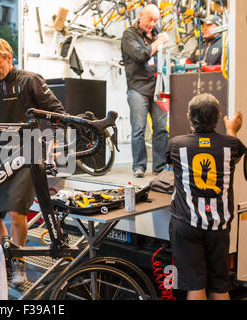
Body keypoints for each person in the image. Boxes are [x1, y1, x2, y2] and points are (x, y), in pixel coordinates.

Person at [0, 37, 65, 286]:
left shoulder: (30, 80)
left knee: (15, 212)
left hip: (28, 152)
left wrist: (54, 141)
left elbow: (57, 111)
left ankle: (19, 263)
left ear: (9, 58)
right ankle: (4, 261)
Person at [166, 93, 245, 300]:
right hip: (219, 226)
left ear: (188, 116)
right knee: (220, 287)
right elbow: (232, 159)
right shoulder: (232, 144)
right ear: (218, 116)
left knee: (195, 285)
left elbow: (170, 167)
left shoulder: (176, 144)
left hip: (186, 222)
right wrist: (232, 130)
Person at [121, 4, 169, 178]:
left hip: (157, 88)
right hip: (138, 89)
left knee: (161, 129)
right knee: (138, 129)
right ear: (141, 16)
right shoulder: (129, 35)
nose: (153, 23)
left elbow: (160, 57)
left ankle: (160, 166)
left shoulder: (156, 34)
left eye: (156, 20)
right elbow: (141, 55)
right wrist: (158, 43)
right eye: (150, 19)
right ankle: (139, 166)